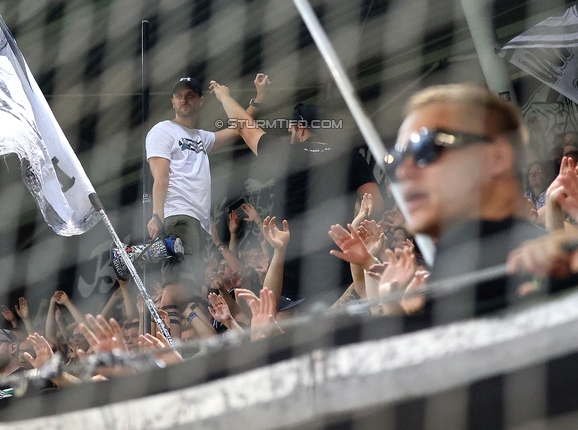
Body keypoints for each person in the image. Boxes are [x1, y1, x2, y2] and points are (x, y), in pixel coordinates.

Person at [208, 83, 381, 303]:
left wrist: (224, 96)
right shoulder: (350, 156)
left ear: (300, 127)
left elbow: (244, 126)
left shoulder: (286, 153)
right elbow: (374, 205)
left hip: (291, 271)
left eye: (290, 129)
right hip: (339, 269)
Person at [386, 84, 544, 316]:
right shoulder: (455, 264)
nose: (403, 172)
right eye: (397, 159)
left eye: (426, 147)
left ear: (498, 156)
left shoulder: (548, 266)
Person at [146, 75, 269, 336]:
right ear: (172, 100)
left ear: (200, 101)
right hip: (179, 216)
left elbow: (239, 129)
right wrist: (157, 215)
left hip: (198, 223)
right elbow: (161, 176)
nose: (184, 99)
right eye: (179, 95)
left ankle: (178, 345)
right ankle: (173, 349)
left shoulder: (201, 137)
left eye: (190, 95)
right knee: (175, 290)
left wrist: (258, 99)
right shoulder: (162, 130)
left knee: (189, 291)